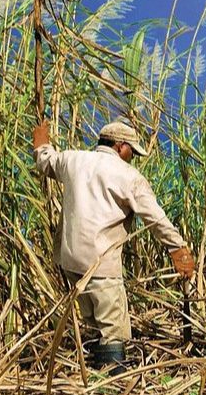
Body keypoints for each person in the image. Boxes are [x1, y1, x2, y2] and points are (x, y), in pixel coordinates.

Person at [31, 119, 195, 368]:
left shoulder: (72, 160)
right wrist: (178, 248)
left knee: (92, 322)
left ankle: (94, 373)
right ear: (120, 147)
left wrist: (41, 141)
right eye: (132, 151)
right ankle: (112, 386)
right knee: (113, 330)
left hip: (71, 261)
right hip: (101, 263)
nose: (133, 157)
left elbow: (45, 161)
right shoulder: (128, 176)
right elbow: (155, 218)